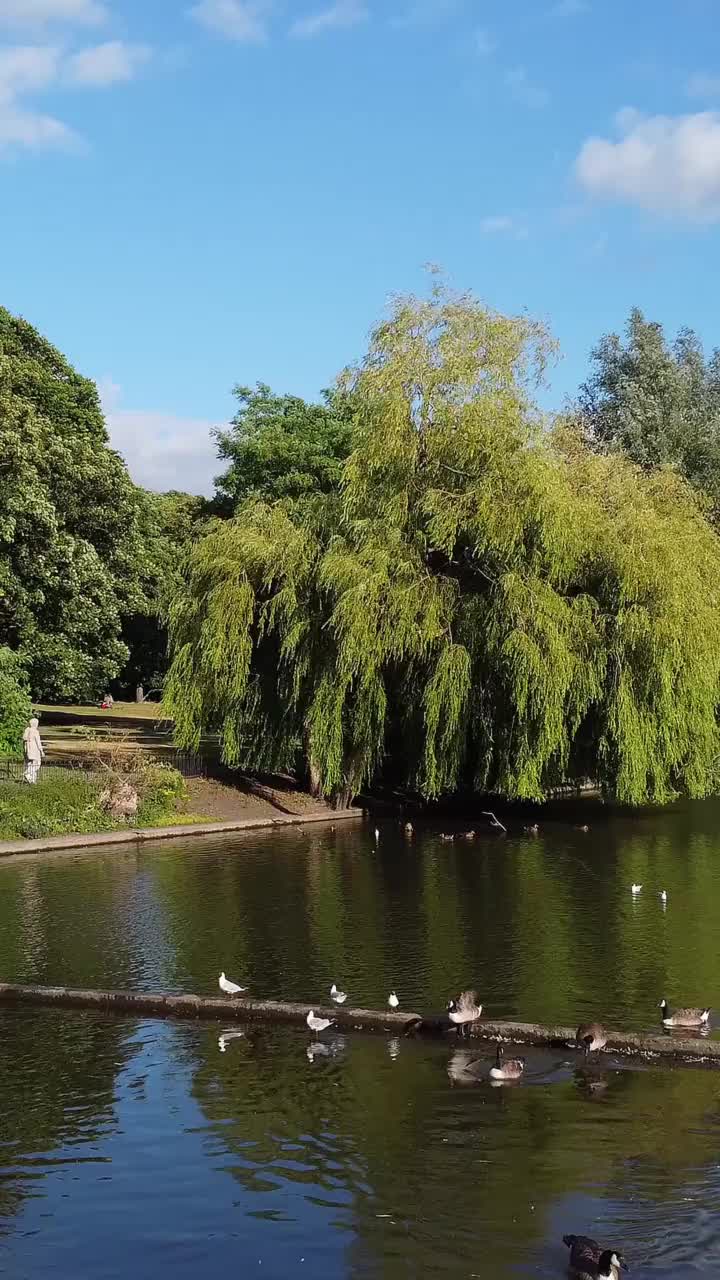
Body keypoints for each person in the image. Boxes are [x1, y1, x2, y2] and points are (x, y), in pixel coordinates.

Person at [22, 717, 44, 784]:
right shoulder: (35, 731)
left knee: (30, 764)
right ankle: (27, 774)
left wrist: (25, 750)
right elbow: (38, 742)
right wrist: (41, 751)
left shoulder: (27, 730)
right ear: (35, 724)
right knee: (37, 764)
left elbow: (24, 740)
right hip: (34, 750)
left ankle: (32, 781)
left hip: (28, 750)